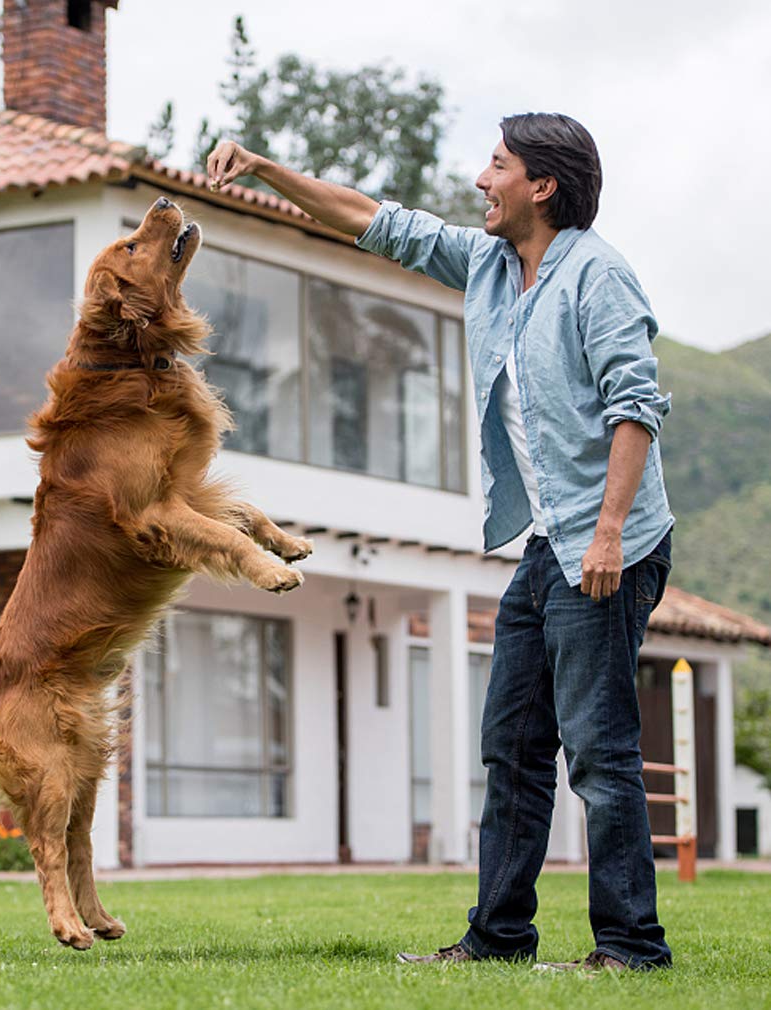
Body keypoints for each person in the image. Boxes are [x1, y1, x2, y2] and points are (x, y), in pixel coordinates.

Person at [207, 113, 674, 972]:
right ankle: (498, 940)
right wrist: (267, 167)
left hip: (609, 543)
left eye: (496, 165)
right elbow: (372, 220)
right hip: (548, 543)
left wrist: (608, 533)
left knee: (600, 755)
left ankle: (632, 948)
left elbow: (635, 407)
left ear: (543, 185)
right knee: (512, 745)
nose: (477, 180)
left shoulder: (598, 277)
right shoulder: (492, 265)